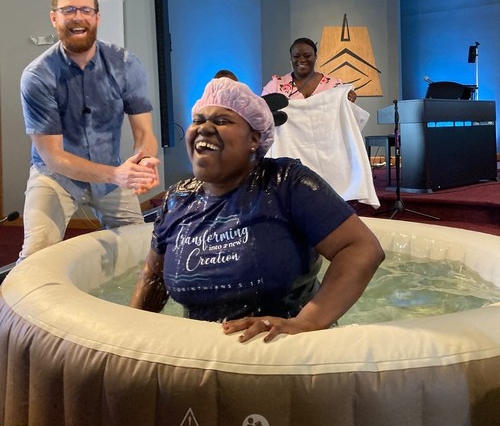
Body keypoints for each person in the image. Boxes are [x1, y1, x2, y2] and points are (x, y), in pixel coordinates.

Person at [130, 77, 384, 342]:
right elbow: (153, 278)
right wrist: (130, 336)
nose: (204, 128)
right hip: (204, 353)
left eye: (221, 121)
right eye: (198, 120)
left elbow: (362, 248)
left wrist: (305, 322)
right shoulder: (178, 200)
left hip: (284, 349)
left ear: (254, 138)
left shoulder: (287, 183)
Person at [19, 0, 161, 261]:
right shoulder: (37, 76)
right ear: (54, 18)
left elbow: (144, 134)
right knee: (35, 255)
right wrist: (116, 174)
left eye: (86, 10)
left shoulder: (126, 65)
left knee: (143, 250)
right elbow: (53, 157)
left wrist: (144, 163)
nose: (78, 17)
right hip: (55, 177)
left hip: (111, 174)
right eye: (68, 10)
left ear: (97, 17)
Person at [262, 37, 357, 102]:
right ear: (291, 58)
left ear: (315, 57)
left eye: (307, 56)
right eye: (296, 56)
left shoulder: (334, 85)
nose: (302, 60)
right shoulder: (275, 86)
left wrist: (348, 101)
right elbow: (263, 114)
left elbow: (345, 117)